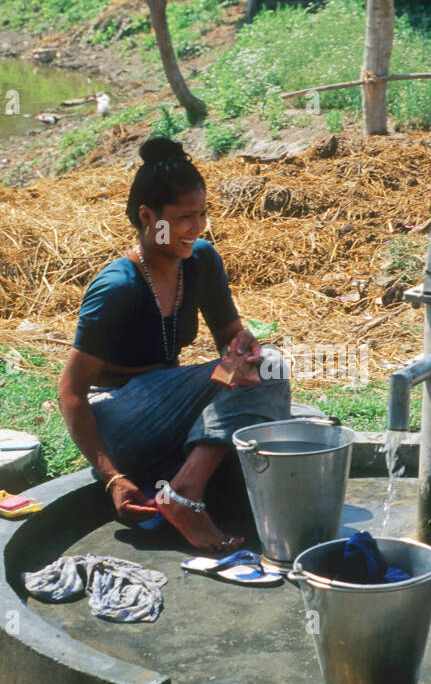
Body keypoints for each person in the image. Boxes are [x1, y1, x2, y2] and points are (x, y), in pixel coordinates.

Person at [57, 137, 291, 553]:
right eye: (185, 217)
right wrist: (112, 476)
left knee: (264, 372)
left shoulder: (201, 261)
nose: (197, 227)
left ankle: (184, 485)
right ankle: (183, 498)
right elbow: (71, 392)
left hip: (168, 410)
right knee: (271, 373)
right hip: (121, 420)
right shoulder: (118, 286)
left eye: (202, 214)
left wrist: (244, 351)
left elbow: (230, 343)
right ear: (148, 217)